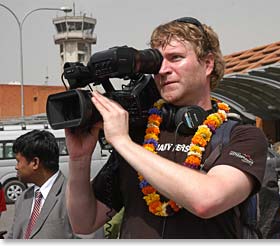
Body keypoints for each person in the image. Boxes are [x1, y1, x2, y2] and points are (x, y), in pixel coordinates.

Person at [65, 17, 268, 239]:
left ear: (208, 64)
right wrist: (79, 159)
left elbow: (207, 200)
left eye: (176, 58)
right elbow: (84, 222)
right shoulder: (139, 135)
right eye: (157, 61)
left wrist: (123, 142)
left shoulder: (241, 136)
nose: (163, 69)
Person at [7, 130, 77, 239]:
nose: (16, 167)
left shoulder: (75, 196)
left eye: (18, 161)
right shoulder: (23, 198)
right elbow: (13, 236)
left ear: (35, 163)